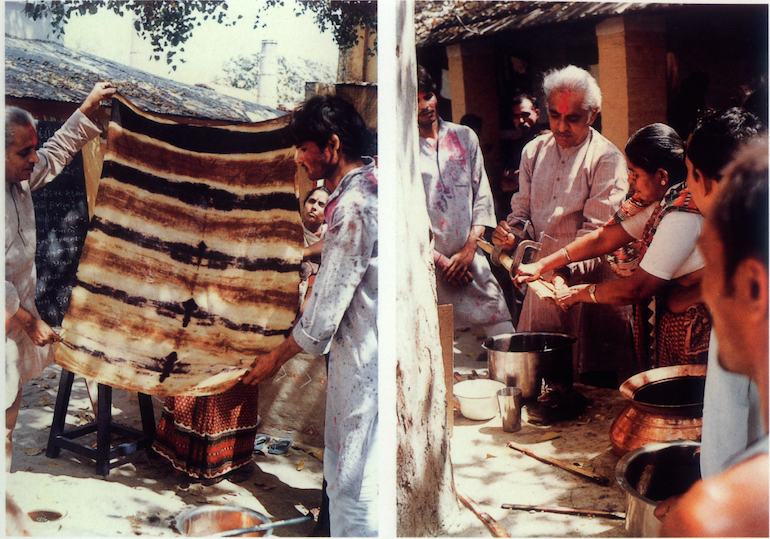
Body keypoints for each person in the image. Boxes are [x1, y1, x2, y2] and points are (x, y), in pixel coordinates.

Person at [242, 94, 378, 537]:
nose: (300, 159)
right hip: (366, 359)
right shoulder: (371, 188)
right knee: (350, 478)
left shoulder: (354, 208)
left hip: (364, 364)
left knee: (353, 492)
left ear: (332, 146)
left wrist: (273, 360)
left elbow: (322, 318)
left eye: (304, 147)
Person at [515, 123, 709, 369]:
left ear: (662, 176)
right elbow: (603, 239)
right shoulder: (663, 203)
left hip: (696, 330)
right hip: (675, 319)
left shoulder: (681, 216)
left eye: (635, 173)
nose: (630, 181)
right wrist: (542, 265)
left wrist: (577, 293)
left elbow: (636, 289)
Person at [492, 65, 633, 387]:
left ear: (592, 115)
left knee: (595, 382)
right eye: (555, 116)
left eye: (573, 118)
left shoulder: (607, 159)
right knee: (541, 377)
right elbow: (522, 212)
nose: (561, 126)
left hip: (590, 281)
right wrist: (511, 235)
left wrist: (562, 271)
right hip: (543, 281)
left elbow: (599, 234)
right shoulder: (533, 151)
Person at [655, 138, 768, 537]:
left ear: (753, 287)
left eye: (710, 268)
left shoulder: (718, 519)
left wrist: (707, 506)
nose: (702, 294)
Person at [5, 81, 116, 470]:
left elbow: (55, 154)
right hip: (9, 319)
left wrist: (86, 109)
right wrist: (27, 320)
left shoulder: (18, 182)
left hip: (10, 327)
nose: (34, 158)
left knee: (7, 416)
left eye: (33, 148)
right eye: (25, 151)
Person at [682, 107, 764, 478]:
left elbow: (728, 409)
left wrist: (710, 499)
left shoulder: (738, 257)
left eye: (688, 174)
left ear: (703, 178)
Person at [417, 65, 514, 338]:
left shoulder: (464, 137)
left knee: (503, 332)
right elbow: (404, 216)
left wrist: (470, 249)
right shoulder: (403, 150)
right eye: (416, 99)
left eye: (429, 95)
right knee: (439, 344)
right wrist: (441, 261)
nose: (425, 105)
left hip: (471, 260)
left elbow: (482, 194)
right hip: (428, 266)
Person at [299, 186, 330, 313]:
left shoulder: (331, 235)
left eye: (321, 204)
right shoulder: (292, 230)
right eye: (311, 201)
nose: (314, 207)